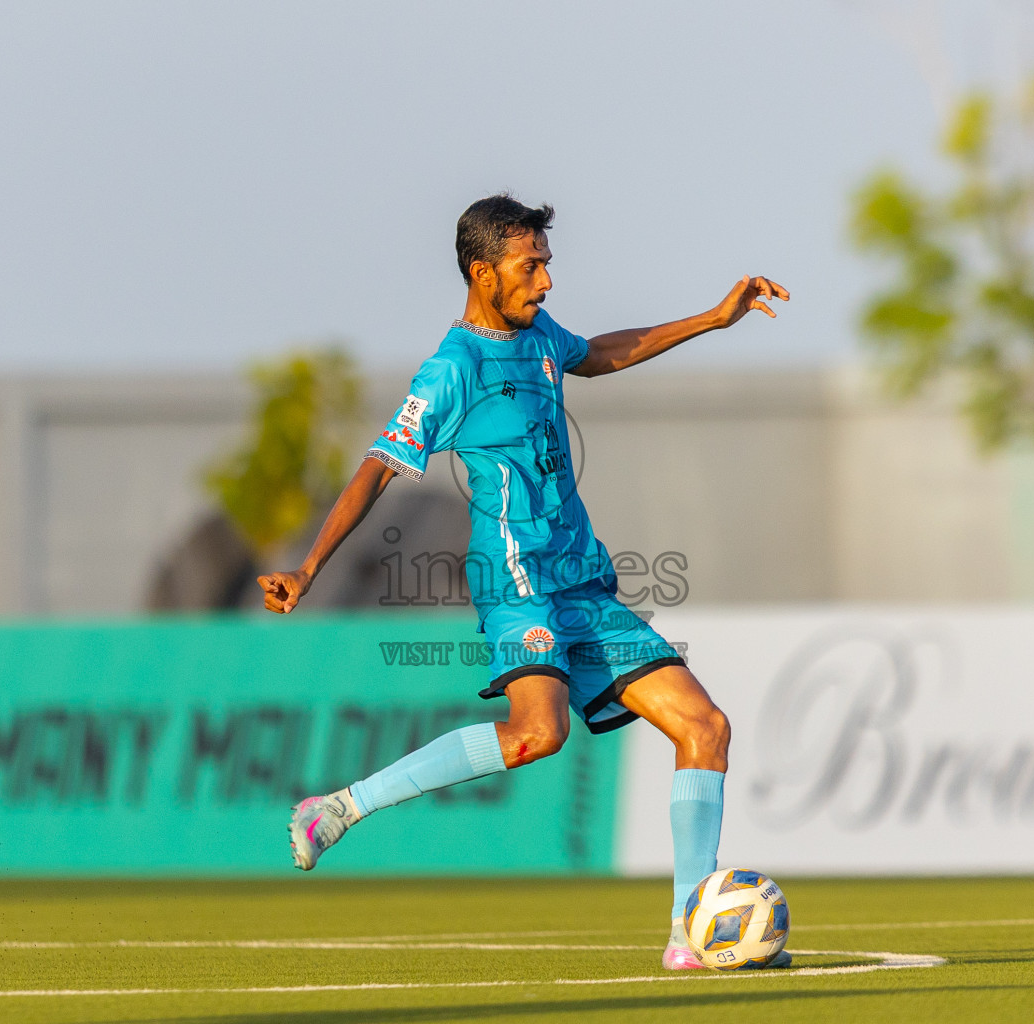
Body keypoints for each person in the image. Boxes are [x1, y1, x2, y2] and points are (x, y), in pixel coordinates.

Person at [259, 194, 788, 969]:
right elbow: (378, 465)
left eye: (545, 263)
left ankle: (688, 935)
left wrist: (712, 318)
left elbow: (600, 352)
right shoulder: (452, 368)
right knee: (539, 733)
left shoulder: (540, 336)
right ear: (483, 272)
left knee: (704, 729)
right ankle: (340, 807)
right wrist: (308, 566)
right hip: (515, 579)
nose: (545, 282)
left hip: (582, 579)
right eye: (530, 266)